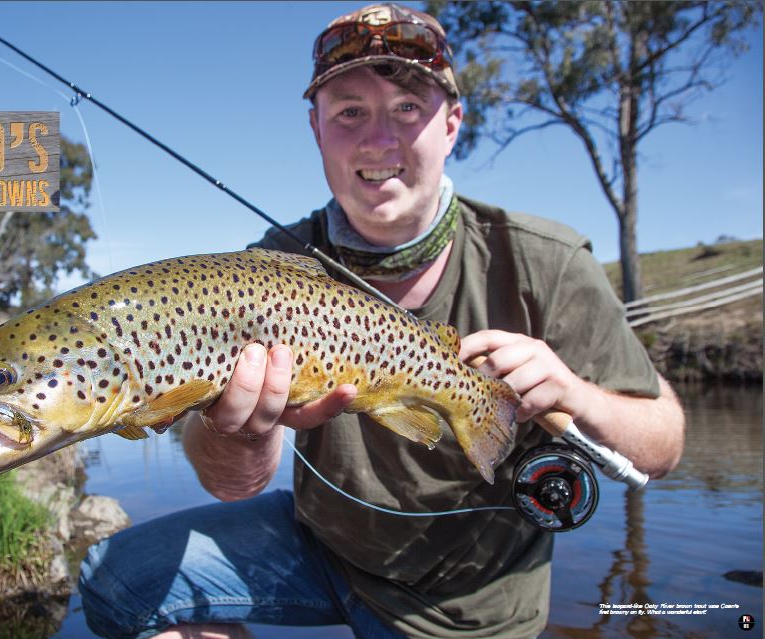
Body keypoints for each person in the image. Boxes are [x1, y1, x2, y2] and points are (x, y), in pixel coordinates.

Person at [79, 4, 685, 638]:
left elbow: (664, 443)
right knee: (115, 580)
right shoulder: (267, 272)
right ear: (316, 128)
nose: (378, 140)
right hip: (323, 552)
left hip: (474, 606)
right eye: (349, 112)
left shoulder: (544, 260)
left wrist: (576, 394)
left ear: (452, 125)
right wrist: (242, 432)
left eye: (406, 107)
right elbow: (235, 485)